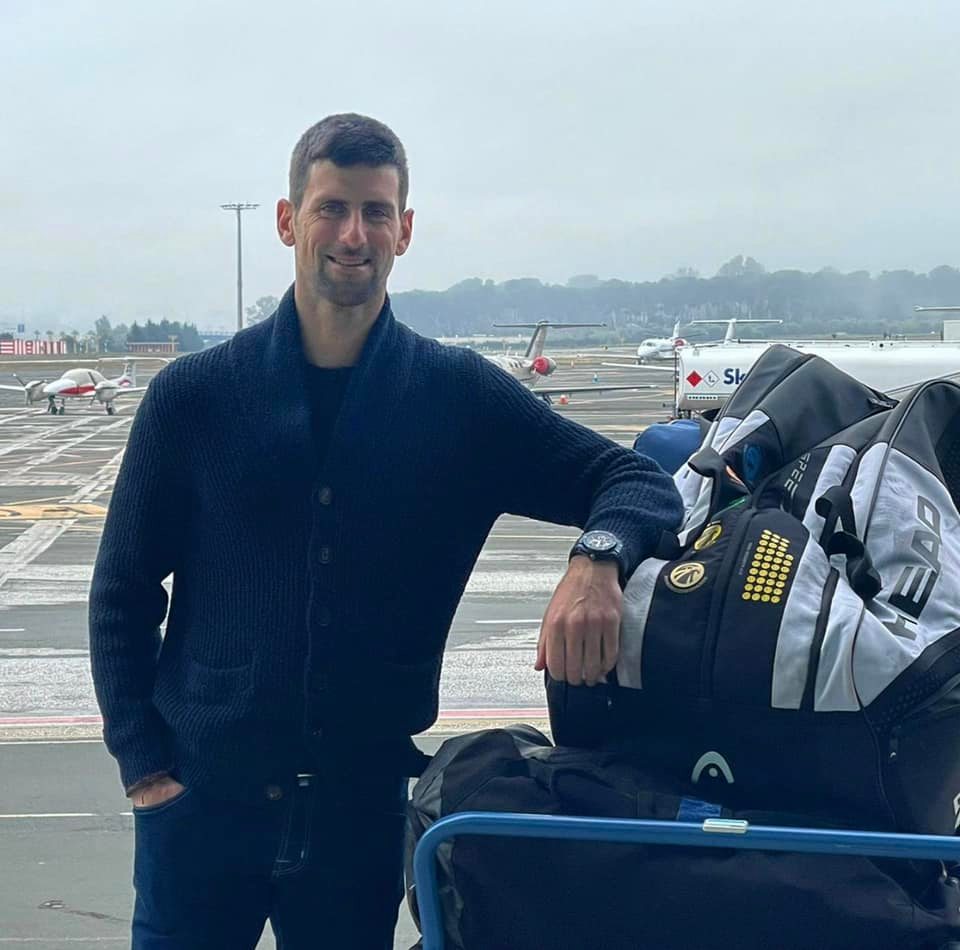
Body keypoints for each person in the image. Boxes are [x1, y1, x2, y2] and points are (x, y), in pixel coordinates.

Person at [88, 113, 683, 950]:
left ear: (404, 230)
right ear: (288, 221)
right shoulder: (195, 398)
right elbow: (121, 591)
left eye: (375, 212)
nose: (353, 234)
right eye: (331, 208)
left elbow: (636, 480)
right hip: (200, 809)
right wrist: (144, 768)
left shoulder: (457, 398)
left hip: (356, 817)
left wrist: (597, 559)